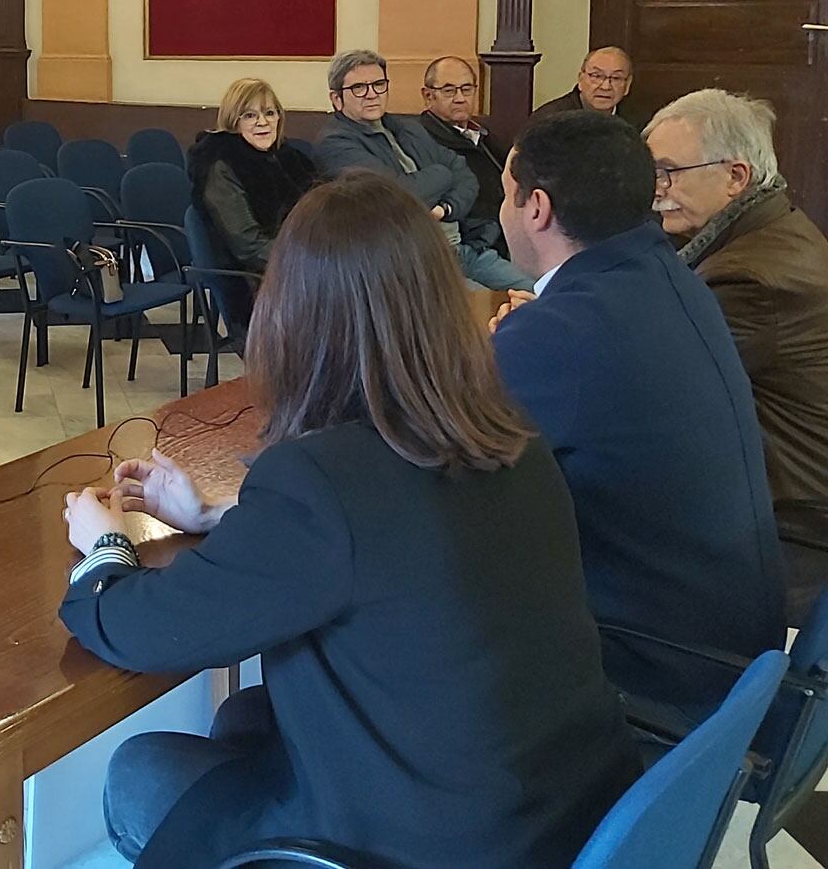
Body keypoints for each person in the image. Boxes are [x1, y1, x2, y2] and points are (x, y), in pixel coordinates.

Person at [60, 171, 638, 868]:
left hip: (428, 843)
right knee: (247, 718)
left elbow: (146, 630)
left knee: (141, 772)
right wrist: (215, 515)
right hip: (561, 811)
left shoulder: (320, 481)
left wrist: (106, 547)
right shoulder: (512, 437)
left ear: (294, 314)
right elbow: (397, 541)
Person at [494, 110, 784, 714]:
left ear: (536, 208)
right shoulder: (671, 278)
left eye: (504, 195)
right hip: (727, 651)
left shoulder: (560, 330)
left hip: (651, 670)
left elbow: (437, 461)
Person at [644, 89, 828, 616]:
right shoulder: (772, 231)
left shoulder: (749, 276)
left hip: (793, 531)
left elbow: (657, 390)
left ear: (735, 177)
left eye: (670, 172)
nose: (657, 190)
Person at [315, 49, 533, 291]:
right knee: (484, 307)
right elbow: (397, 196)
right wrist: (443, 173)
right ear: (336, 99)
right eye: (359, 88)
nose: (372, 94)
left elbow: (465, 175)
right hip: (412, 260)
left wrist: (444, 208)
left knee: (539, 290)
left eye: (378, 84)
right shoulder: (335, 143)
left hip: (461, 247)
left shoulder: (407, 128)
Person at [185, 77, 317, 271]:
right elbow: (250, 247)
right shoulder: (221, 165)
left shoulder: (289, 156)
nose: (262, 122)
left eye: (270, 113)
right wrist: (310, 263)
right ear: (232, 120)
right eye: (249, 115)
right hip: (259, 277)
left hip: (303, 260)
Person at [417, 55, 510, 253]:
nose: (460, 98)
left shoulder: (485, 134)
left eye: (467, 89)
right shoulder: (422, 140)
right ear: (428, 96)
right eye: (449, 90)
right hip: (473, 243)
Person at [530, 45, 643, 127]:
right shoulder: (550, 120)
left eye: (616, 78)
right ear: (580, 79)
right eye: (596, 76)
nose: (605, 86)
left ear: (627, 85)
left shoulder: (639, 121)